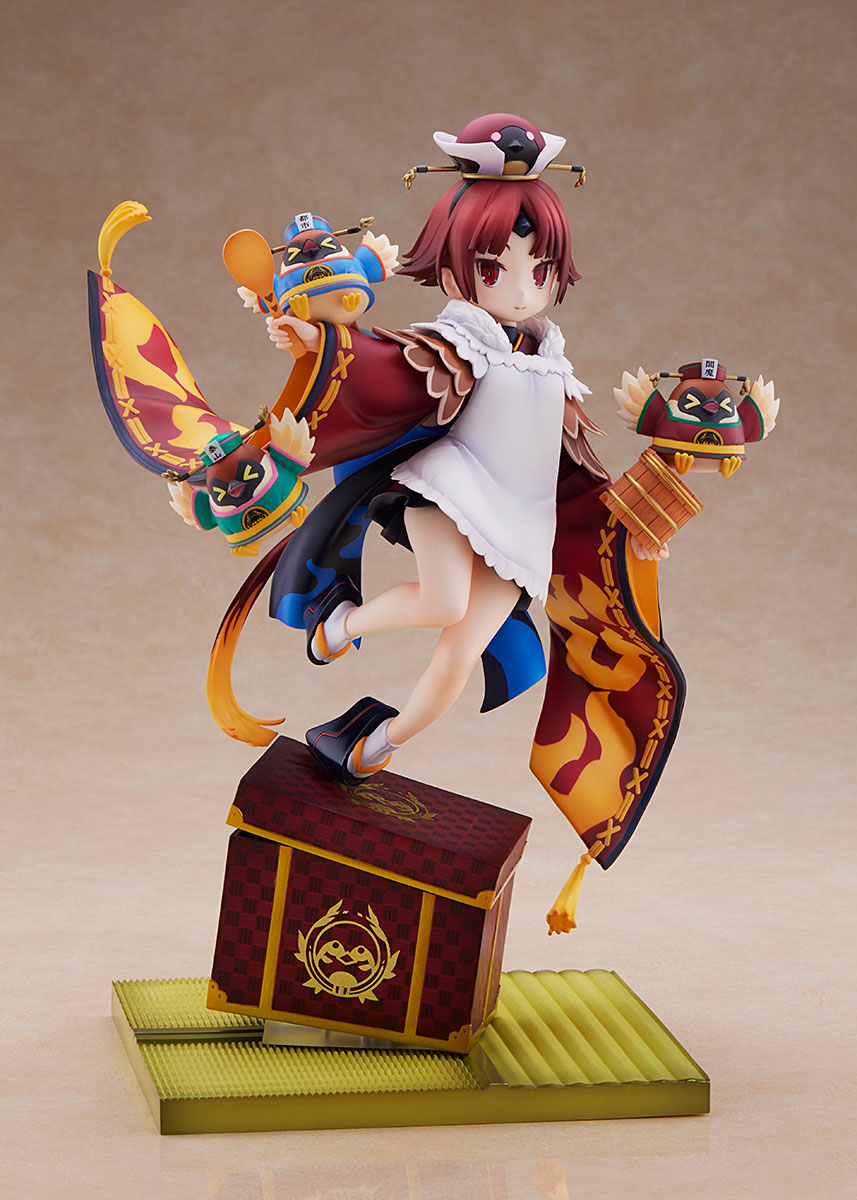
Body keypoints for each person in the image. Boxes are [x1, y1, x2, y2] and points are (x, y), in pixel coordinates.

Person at [207, 114, 686, 932]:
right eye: (495, 266)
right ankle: (337, 626)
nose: (520, 286)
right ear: (459, 264)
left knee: (458, 658)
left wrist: (637, 521)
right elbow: (379, 370)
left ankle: (372, 744)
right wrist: (314, 341)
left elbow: (577, 472)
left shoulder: (550, 365)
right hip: (450, 492)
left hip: (519, 530)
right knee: (441, 601)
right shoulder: (458, 342)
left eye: (539, 268)